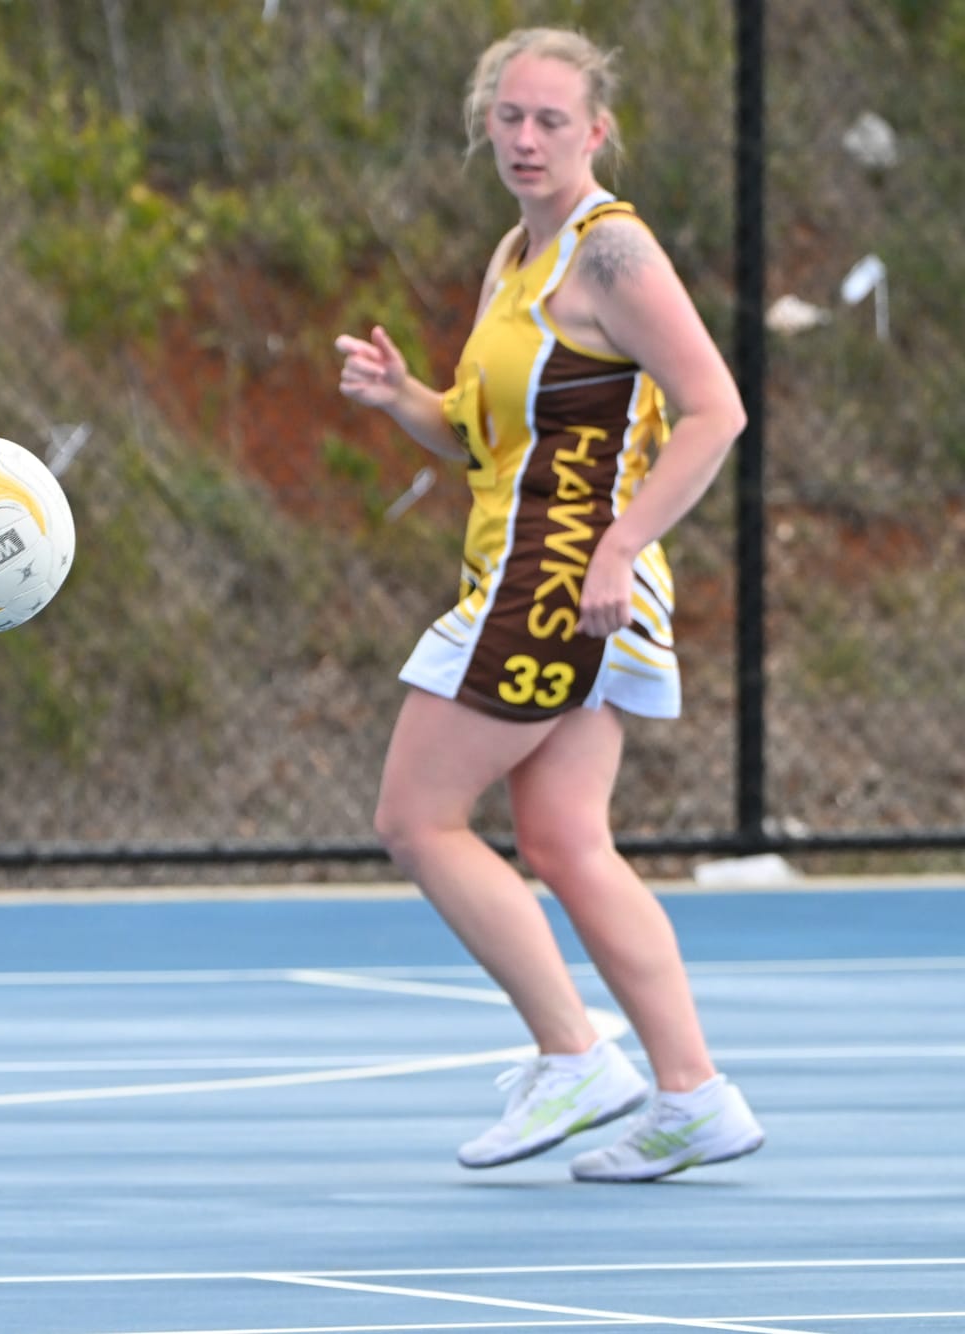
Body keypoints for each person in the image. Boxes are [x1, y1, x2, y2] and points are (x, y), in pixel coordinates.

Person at [333, 28, 764, 1182]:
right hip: (538, 573)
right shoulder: (510, 257)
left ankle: (572, 1053)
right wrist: (402, 397)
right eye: (509, 117)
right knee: (566, 842)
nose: (525, 139)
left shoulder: (609, 251)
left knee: (415, 818)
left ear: (595, 132)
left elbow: (713, 408)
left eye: (550, 121)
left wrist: (619, 544)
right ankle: (693, 1092)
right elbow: (479, 435)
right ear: (485, 122)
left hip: (560, 577)